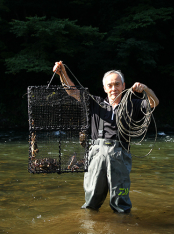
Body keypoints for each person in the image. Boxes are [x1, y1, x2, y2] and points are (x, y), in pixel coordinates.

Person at [53, 61, 159, 213]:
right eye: (110, 85)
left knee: (121, 203)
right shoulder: (95, 102)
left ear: (123, 86)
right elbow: (72, 91)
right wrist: (61, 73)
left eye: (117, 84)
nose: (113, 88)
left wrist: (145, 90)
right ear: (104, 88)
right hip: (96, 155)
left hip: (120, 154)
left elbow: (154, 103)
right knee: (91, 203)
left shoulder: (133, 103)